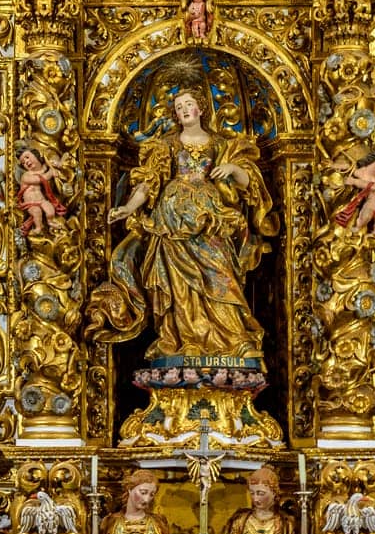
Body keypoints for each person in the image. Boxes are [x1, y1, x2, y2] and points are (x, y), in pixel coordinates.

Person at [88, 85, 276, 365]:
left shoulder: (221, 145)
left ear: (200, 108)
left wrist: (233, 169)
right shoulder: (167, 145)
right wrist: (128, 207)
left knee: (221, 271)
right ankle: (182, 339)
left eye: (188, 104)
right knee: (177, 284)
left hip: (210, 218)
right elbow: (148, 182)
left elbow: (250, 183)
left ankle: (234, 338)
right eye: (178, 107)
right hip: (172, 218)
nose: (183, 110)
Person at [332, 152, 375, 236]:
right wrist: (334, 165)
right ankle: (358, 227)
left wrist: (354, 181)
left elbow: (371, 186)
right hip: (370, 204)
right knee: (366, 216)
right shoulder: (360, 172)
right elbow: (348, 168)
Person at [16, 148, 67, 234]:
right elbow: (40, 179)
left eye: (27, 157)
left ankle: (50, 221)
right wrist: (50, 173)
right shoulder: (26, 176)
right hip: (31, 203)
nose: (26, 162)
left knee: (50, 210)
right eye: (23, 163)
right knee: (37, 212)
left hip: (41, 200)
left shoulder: (43, 169)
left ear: (36, 155)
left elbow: (47, 167)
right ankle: (38, 227)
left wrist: (56, 165)